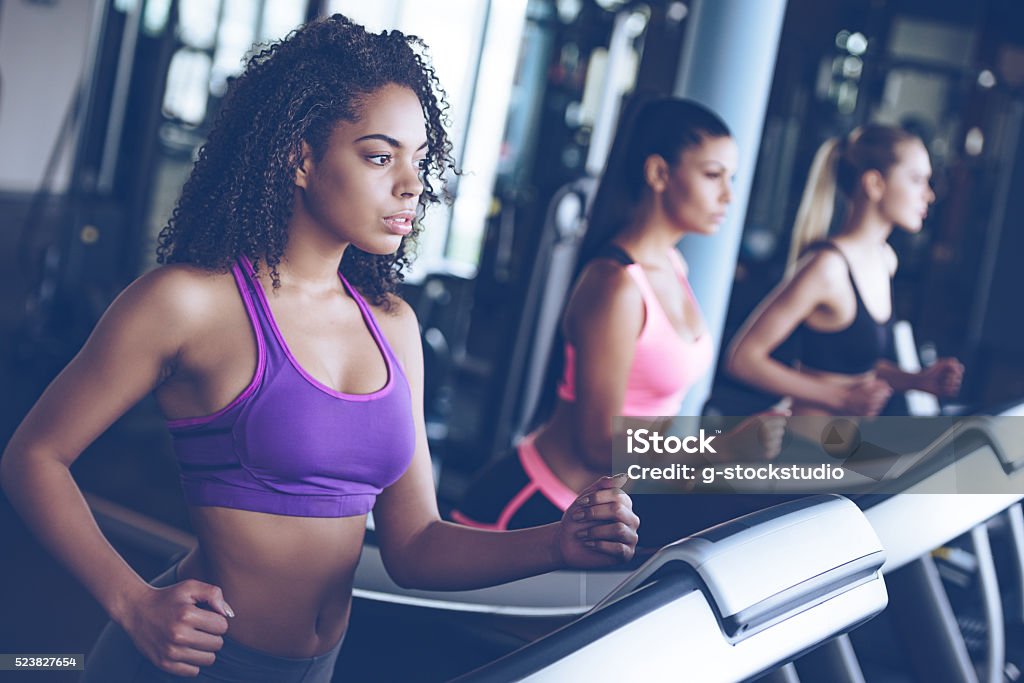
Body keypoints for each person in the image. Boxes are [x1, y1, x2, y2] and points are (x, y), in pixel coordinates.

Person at [0, 15, 638, 682]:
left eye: (419, 158)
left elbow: (414, 544)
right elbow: (34, 455)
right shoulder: (188, 303)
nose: (411, 184)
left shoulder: (393, 326)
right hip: (189, 664)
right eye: (379, 155)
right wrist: (133, 602)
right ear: (300, 157)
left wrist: (558, 542)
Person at [453, 97, 786, 533]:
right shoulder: (615, 286)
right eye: (712, 175)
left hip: (601, 515)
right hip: (534, 509)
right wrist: (720, 449)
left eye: (732, 177)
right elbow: (597, 445)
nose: (728, 195)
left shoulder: (671, 265)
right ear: (659, 174)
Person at [726, 124, 964, 417]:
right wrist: (838, 399)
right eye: (917, 180)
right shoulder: (827, 268)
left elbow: (855, 366)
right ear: (875, 184)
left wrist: (918, 380)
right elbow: (743, 359)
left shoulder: (885, 259)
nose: (929, 195)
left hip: (843, 451)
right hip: (801, 451)